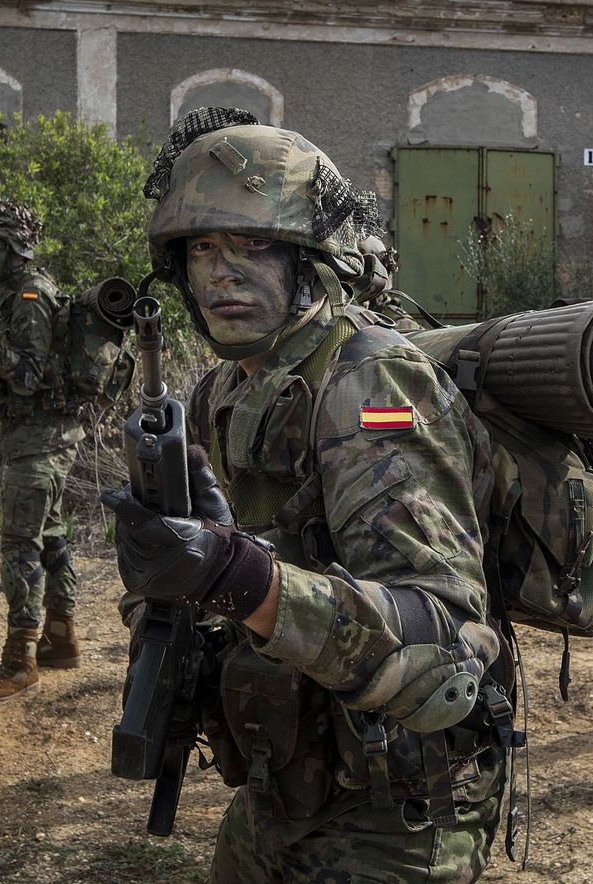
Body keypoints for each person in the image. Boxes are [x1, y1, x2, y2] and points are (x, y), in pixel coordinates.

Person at [102, 108, 508, 882]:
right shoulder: (224, 389)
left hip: (396, 809)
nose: (221, 273)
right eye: (202, 248)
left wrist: (235, 577)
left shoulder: (371, 383)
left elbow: (443, 638)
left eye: (252, 244)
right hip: (285, 785)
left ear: (311, 261)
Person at [0, 197, 86, 702]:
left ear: (18, 249)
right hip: (45, 437)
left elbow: (30, 376)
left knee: (19, 545)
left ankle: (19, 661)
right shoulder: (23, 292)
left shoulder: (29, 296)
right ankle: (61, 638)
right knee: (49, 534)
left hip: (40, 440)